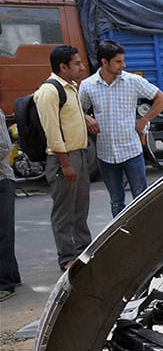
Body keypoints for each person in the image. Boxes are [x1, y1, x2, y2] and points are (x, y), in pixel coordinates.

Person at [79, 40, 163, 217]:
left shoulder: (133, 81)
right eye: (118, 61)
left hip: (131, 152)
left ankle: (144, 235)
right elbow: (78, 110)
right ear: (104, 62)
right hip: (105, 155)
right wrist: (87, 117)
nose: (123, 65)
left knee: (141, 199)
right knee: (116, 201)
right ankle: (122, 239)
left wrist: (144, 120)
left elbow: (162, 99)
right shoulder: (88, 85)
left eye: (122, 61)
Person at [35, 45, 92, 271]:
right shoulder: (50, 91)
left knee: (80, 209)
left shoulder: (71, 87)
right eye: (77, 63)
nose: (82, 67)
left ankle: (84, 251)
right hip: (64, 159)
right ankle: (67, 258)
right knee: (64, 212)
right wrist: (65, 163)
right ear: (63, 67)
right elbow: (52, 131)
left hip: (79, 155)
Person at [0, 109, 20, 301]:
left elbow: (4, 146)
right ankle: (13, 276)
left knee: (3, 234)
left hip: (2, 180)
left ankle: (6, 284)